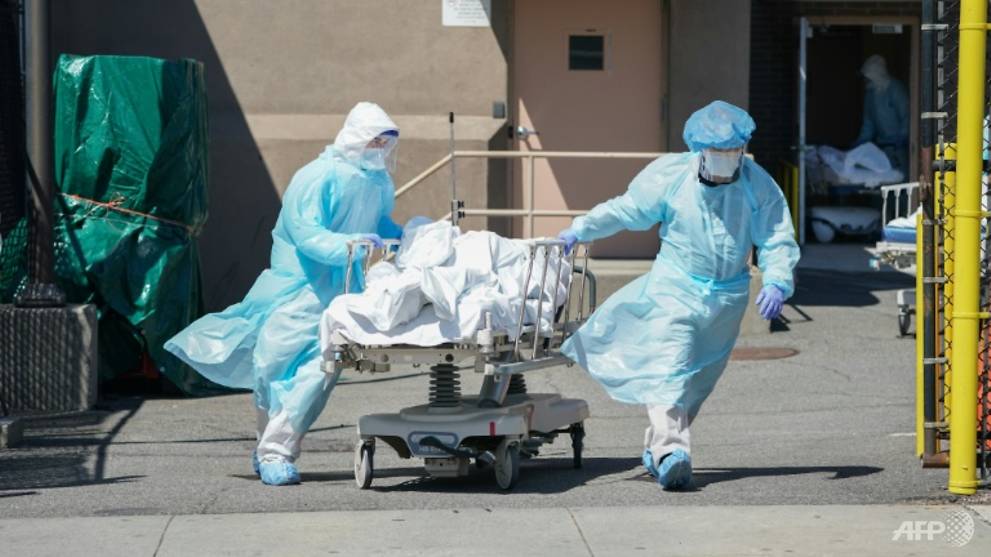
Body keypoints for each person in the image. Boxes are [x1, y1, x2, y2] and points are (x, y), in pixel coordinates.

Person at [166, 102, 416, 485]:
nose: (380, 149)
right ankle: (266, 444)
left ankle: (277, 451)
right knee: (272, 366)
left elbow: (377, 221)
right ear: (356, 137)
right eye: (375, 140)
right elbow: (306, 233)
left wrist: (401, 234)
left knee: (320, 371)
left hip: (342, 293)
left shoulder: (378, 182)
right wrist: (349, 244)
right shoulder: (318, 176)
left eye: (386, 142)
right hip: (298, 289)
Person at [557, 101, 800, 490]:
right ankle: (673, 453)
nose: (726, 157)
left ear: (743, 148)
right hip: (676, 288)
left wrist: (777, 281)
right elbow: (628, 210)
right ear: (699, 148)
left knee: (698, 383)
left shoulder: (757, 184)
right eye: (718, 150)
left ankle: (657, 450)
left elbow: (775, 236)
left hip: (727, 298)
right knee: (671, 368)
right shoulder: (672, 176)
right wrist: (582, 229)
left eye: (733, 150)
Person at [854, 54, 910, 175]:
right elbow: (868, 123)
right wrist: (862, 140)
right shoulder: (870, 94)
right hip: (883, 146)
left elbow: (906, 115)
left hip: (899, 146)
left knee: (901, 175)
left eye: (868, 78)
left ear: (876, 74)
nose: (866, 81)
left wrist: (903, 136)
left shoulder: (895, 89)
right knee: (886, 176)